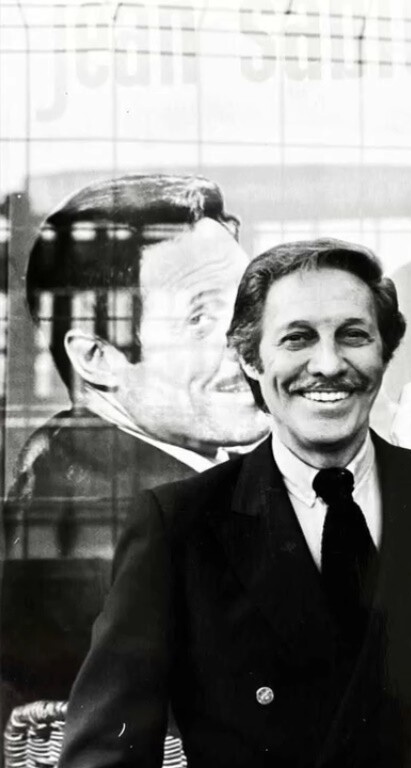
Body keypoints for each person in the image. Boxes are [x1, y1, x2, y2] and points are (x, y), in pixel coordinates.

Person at [58, 239, 411, 767]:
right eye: (297, 338)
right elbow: (102, 757)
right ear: (250, 359)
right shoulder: (180, 526)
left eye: (354, 335)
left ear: (384, 352)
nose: (328, 364)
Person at [1, 173, 269, 725]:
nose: (253, 343)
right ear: (98, 358)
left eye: (247, 307)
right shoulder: (132, 524)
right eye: (200, 319)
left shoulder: (75, 454)